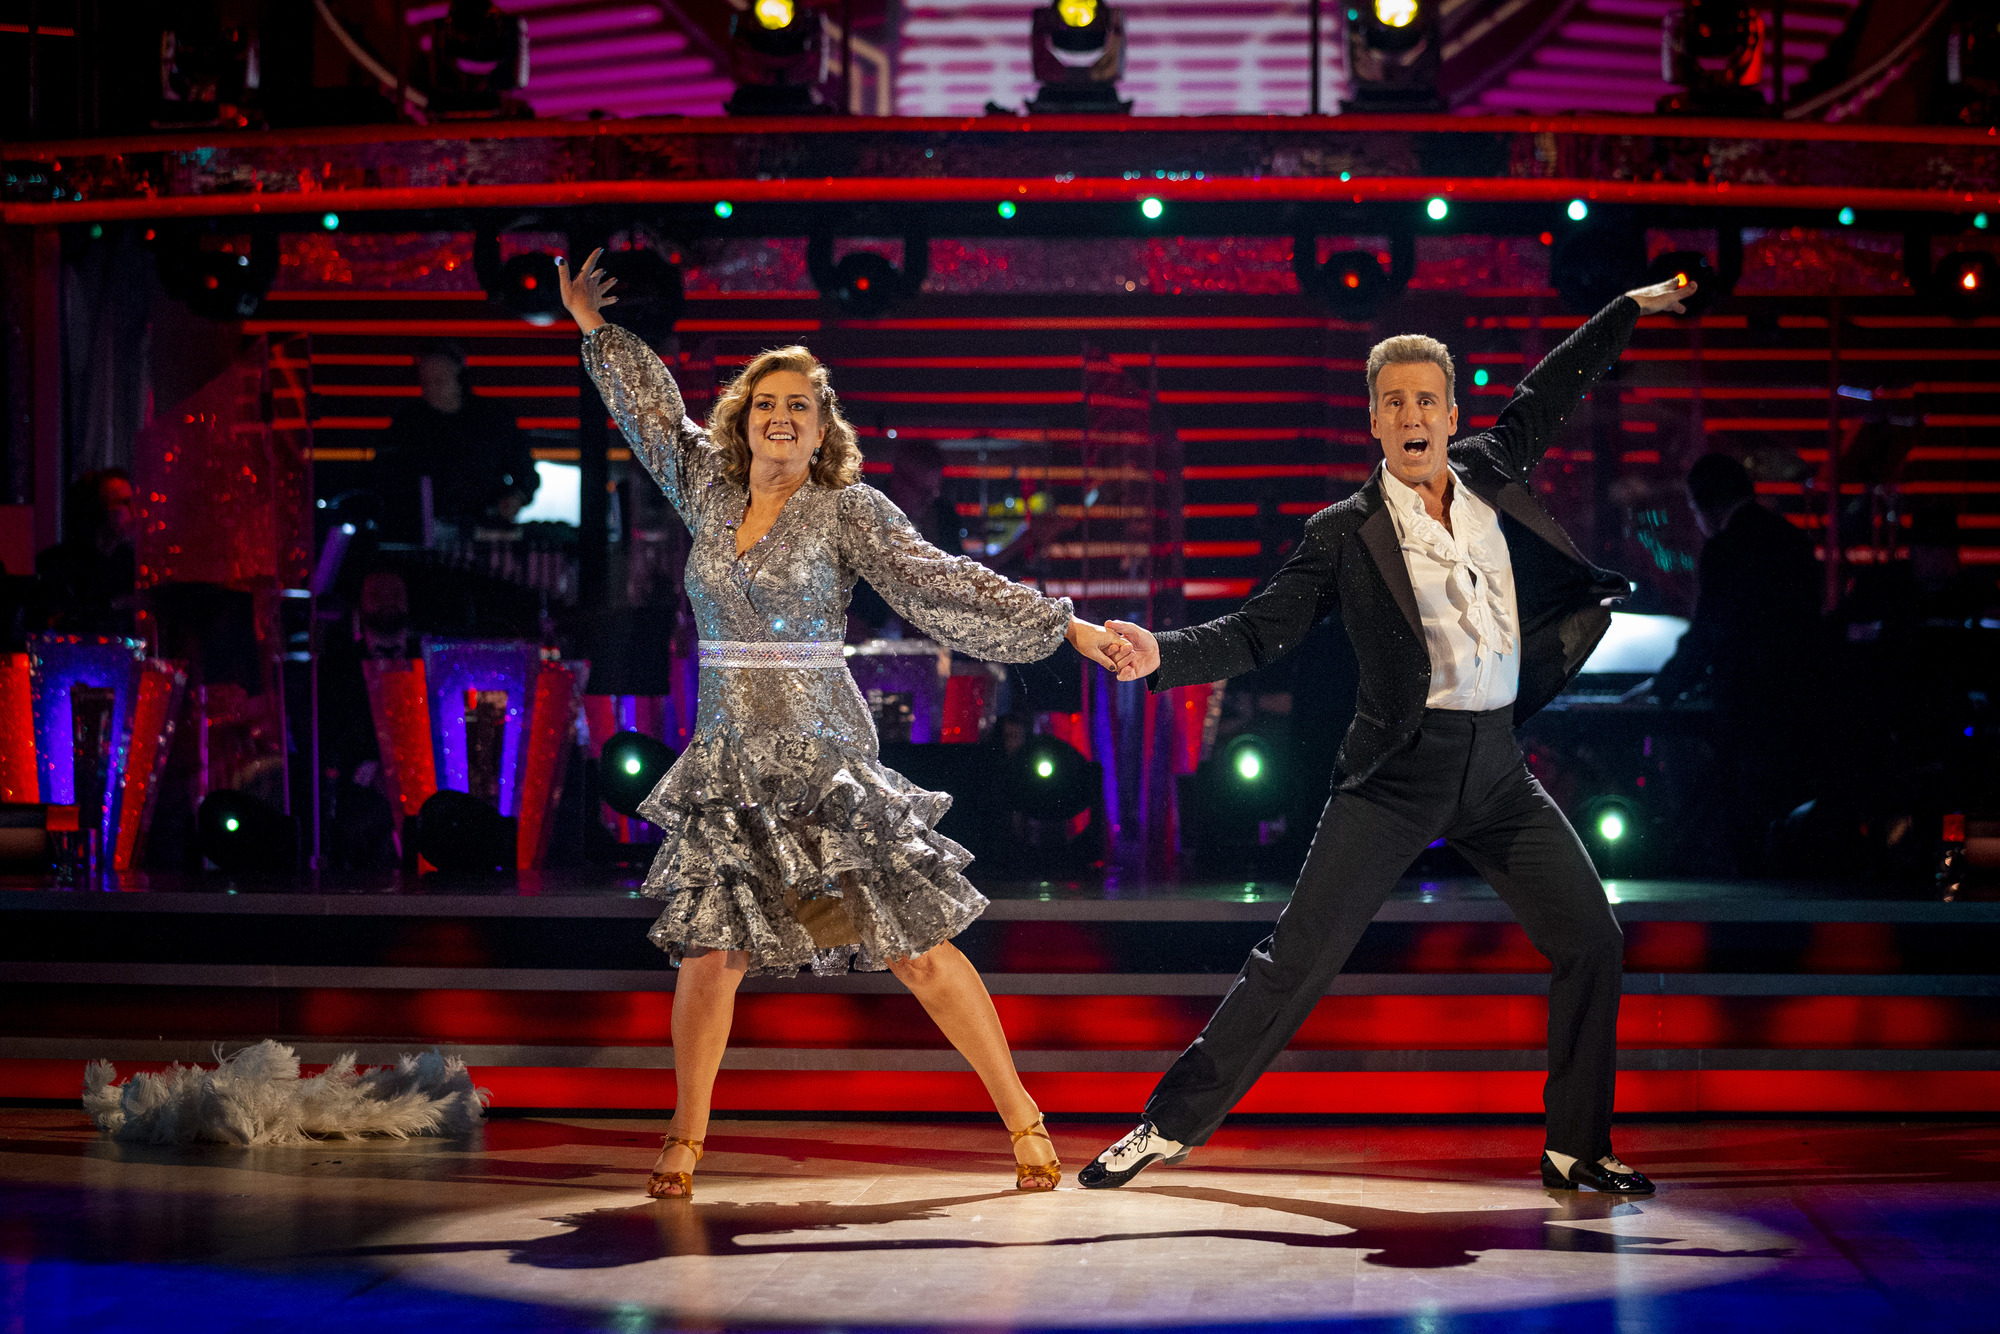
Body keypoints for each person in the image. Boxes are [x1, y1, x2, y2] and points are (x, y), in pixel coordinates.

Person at [1085, 278, 1701, 1198]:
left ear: (1452, 414)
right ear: (1372, 422)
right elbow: (1260, 632)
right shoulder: (1343, 532)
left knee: (1593, 939)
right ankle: (1166, 1126)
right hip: (1393, 775)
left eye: (1426, 400)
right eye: (1393, 403)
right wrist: (1160, 656)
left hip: (1497, 770)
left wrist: (1627, 309)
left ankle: (1576, 1146)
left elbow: (1554, 386)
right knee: (1297, 958)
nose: (1412, 416)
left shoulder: (1493, 472)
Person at [560, 249, 1130, 1200]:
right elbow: (653, 415)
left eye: (800, 407)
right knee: (713, 951)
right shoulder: (708, 490)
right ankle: (687, 1136)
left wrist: (1062, 624)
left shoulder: (848, 510)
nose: (781, 418)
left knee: (913, 952)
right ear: (743, 417)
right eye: (765, 403)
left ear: (823, 427)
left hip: (822, 765)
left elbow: (942, 579)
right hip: (731, 764)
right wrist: (594, 329)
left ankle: (1023, 1115)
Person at [1629, 452, 1822, 874]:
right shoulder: (1793, 541)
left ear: (1706, 506)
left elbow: (1710, 633)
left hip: (1749, 707)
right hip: (1802, 704)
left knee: (1746, 821)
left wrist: (1662, 688)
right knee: (1788, 821)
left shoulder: (1726, 549)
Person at [374, 343, 540, 544]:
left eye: (439, 381)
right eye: (425, 382)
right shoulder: (408, 421)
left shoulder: (494, 417)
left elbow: (526, 474)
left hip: (484, 528)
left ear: (461, 379)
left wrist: (516, 497)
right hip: (423, 532)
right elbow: (385, 477)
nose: (431, 389)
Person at [33, 469, 138, 638]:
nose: (134, 510)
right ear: (97, 509)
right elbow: (53, 624)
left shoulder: (131, 563)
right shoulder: (57, 565)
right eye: (123, 502)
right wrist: (116, 604)